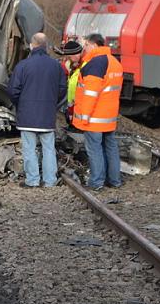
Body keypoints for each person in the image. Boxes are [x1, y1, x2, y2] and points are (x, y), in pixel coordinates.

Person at [8, 33, 67, 187]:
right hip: (47, 115)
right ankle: (50, 181)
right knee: (48, 148)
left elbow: (13, 90)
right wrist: (52, 104)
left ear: (32, 45)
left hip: (27, 115)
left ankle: (32, 180)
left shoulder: (22, 66)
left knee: (29, 149)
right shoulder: (56, 66)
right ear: (46, 46)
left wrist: (20, 104)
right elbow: (62, 89)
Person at [72, 33, 124, 191]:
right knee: (111, 148)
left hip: (94, 117)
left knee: (94, 150)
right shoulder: (115, 63)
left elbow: (90, 94)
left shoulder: (95, 64)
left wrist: (84, 117)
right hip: (109, 117)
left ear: (93, 45)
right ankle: (115, 181)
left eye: (86, 45)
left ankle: (97, 182)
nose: (85, 49)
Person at [53, 40, 84, 124]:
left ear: (76, 54)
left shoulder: (84, 66)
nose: (68, 59)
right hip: (72, 103)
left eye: (69, 57)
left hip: (79, 103)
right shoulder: (72, 65)